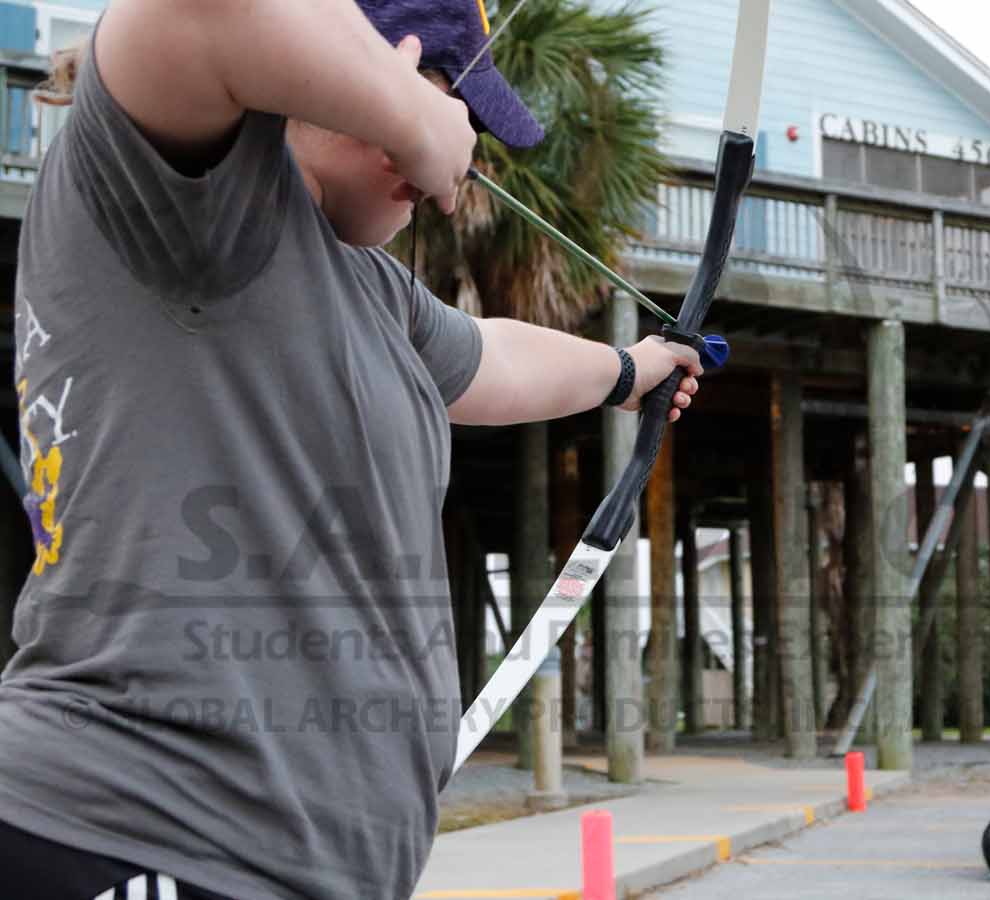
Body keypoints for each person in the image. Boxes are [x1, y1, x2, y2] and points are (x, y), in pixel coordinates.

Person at [0, 1, 702, 898]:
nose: (461, 148)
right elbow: (188, 13)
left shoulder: (371, 290)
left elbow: (495, 360)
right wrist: (407, 113)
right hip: (140, 837)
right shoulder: (187, 201)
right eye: (447, 95)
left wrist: (630, 369)